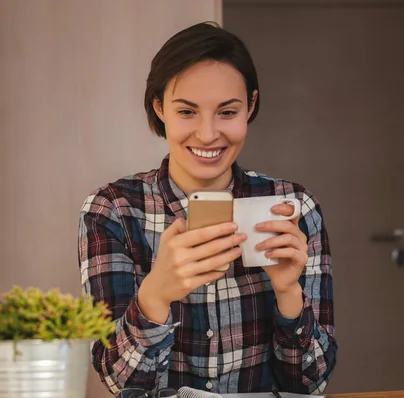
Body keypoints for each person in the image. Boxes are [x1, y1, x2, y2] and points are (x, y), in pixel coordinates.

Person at [78, 22, 336, 396]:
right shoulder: (112, 211)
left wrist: (288, 293)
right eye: (187, 112)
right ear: (159, 107)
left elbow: (313, 383)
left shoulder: (294, 208)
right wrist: (155, 296)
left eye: (227, 112)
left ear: (250, 105)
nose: (207, 134)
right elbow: (122, 385)